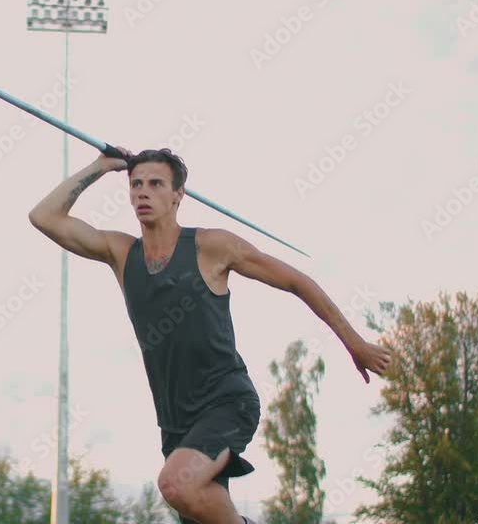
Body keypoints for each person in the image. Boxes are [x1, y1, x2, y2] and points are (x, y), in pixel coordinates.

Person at [27, 147, 393, 524]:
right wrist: (100, 167)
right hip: (174, 422)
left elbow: (298, 282)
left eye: (156, 184)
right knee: (190, 500)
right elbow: (44, 216)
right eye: (136, 185)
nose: (143, 192)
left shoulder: (211, 246)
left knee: (176, 485)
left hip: (227, 402)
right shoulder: (121, 252)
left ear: (178, 194)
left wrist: (355, 343)